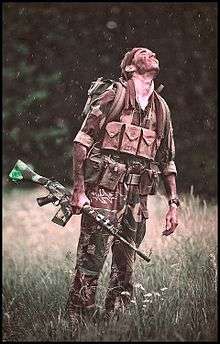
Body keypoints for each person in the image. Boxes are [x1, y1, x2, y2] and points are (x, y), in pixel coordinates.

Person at [68, 47, 180, 327]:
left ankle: (115, 321)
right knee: (91, 258)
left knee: (126, 263)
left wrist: (173, 205)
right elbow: (81, 142)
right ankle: (77, 323)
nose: (151, 53)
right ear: (130, 68)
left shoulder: (161, 108)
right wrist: (79, 190)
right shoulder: (113, 96)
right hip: (104, 191)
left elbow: (168, 161)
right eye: (142, 53)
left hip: (137, 198)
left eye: (153, 52)